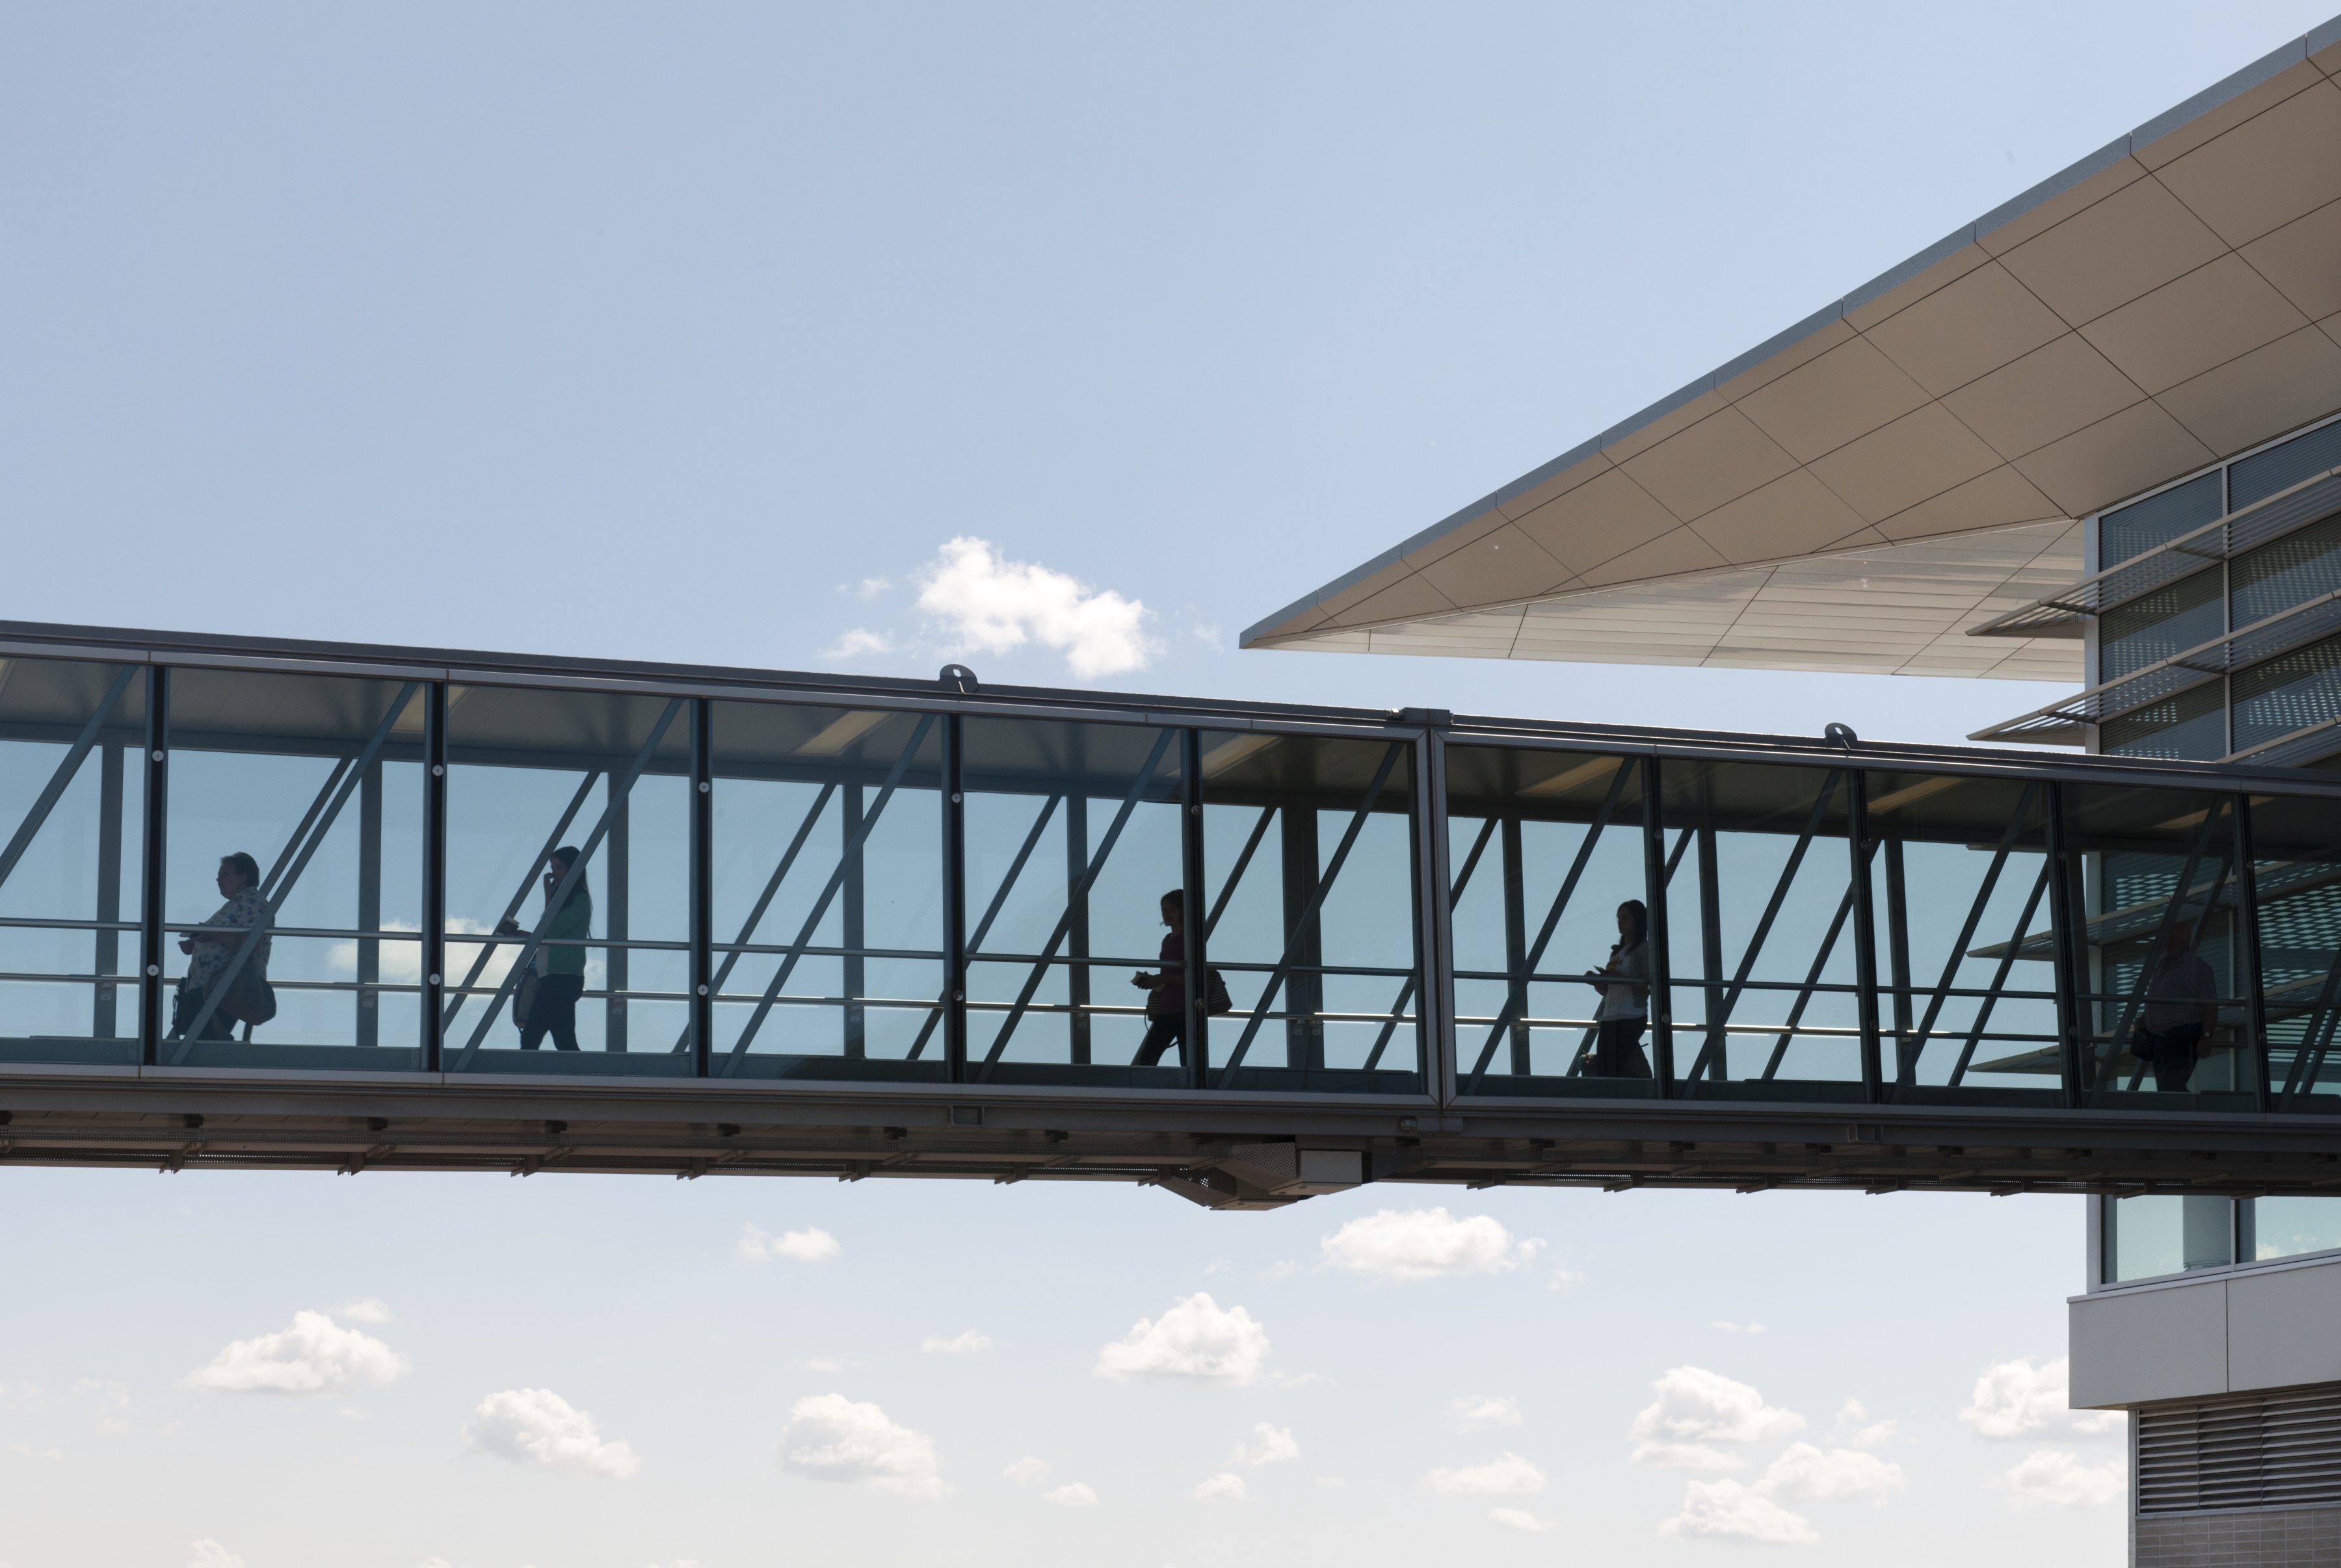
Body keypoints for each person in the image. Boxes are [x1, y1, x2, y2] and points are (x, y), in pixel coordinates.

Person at [498, 846, 591, 1051]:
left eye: (560, 867)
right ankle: (580, 1079)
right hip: (555, 978)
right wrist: (523, 935)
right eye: (553, 868)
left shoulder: (580, 899)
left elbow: (554, 929)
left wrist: (548, 894)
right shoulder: (567, 902)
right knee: (564, 1040)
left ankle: (525, 1081)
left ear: (573, 869)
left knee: (531, 1037)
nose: (554, 873)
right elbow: (551, 935)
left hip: (562, 979)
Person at [173, 852, 270, 1041]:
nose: (218, 879)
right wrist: (194, 944)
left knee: (207, 1043)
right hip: (208, 987)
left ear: (243, 877)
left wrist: (213, 934)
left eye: (225, 874)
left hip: (227, 987)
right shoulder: (233, 906)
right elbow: (223, 939)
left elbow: (252, 944)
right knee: (199, 1040)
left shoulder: (254, 903)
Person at [2136, 921, 2219, 1092]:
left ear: (2186, 939)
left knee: (2171, 1089)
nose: (2167, 943)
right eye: (2165, 939)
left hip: (2182, 1037)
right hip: (2161, 1040)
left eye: (2172, 939)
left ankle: (2191, 1117)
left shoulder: (2197, 968)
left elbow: (2210, 1005)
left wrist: (2207, 1036)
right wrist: (2146, 1019)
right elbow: (2163, 999)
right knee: (2167, 1089)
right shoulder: (2162, 965)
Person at [1586, 898, 1652, 1078]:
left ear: (1637, 920)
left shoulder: (1643, 949)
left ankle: (1639, 1092)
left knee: (1615, 1067)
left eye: (1625, 918)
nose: (1620, 923)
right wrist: (1599, 984)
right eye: (1618, 919)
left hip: (1631, 1016)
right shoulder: (1617, 952)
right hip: (1610, 1016)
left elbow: (1650, 986)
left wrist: (1619, 978)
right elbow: (1612, 990)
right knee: (1606, 1069)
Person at [1129, 890, 1188, 1068]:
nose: (1167, 914)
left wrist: (1161, 978)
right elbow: (1168, 974)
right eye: (1164, 910)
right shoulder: (1168, 939)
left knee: (1188, 1061)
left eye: (1172, 909)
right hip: (1168, 1006)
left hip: (1186, 1007)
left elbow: (1192, 977)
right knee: (1148, 1059)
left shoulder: (1190, 938)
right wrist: (1153, 982)